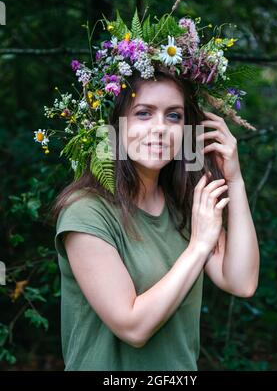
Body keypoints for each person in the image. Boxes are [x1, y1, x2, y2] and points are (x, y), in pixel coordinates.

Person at [50, 64, 260, 371]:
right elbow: (133, 328)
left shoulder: (184, 205)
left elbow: (241, 282)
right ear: (115, 124)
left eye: (173, 115)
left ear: (188, 130)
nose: (160, 128)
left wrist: (235, 179)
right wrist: (199, 246)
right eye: (143, 113)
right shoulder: (86, 212)